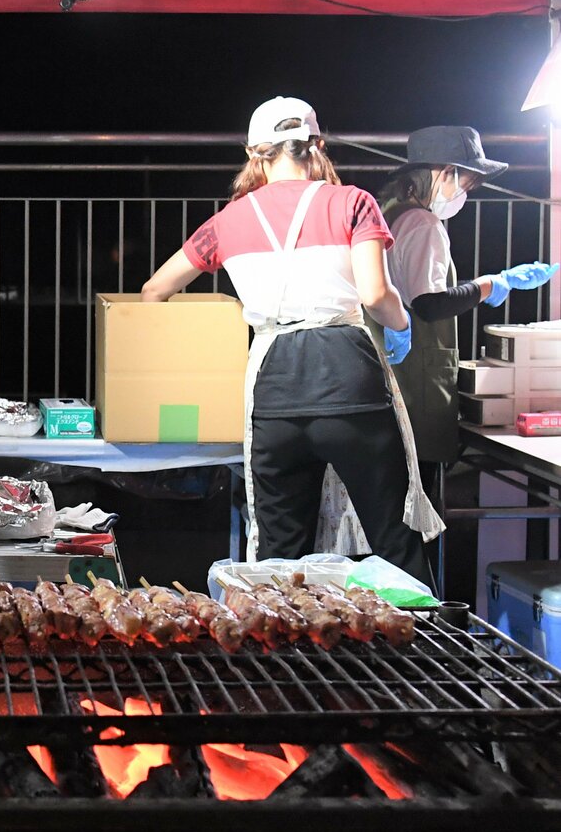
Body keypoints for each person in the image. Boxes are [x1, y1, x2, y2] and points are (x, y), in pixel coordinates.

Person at [141, 97, 439, 585]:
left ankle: (281, 657)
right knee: (393, 537)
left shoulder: (226, 222)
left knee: (278, 554)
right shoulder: (353, 202)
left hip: (273, 386)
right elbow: (375, 294)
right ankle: (421, 650)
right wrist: (403, 326)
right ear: (316, 147)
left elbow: (154, 291)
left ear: (256, 153)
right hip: (350, 379)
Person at [369, 126, 556, 508]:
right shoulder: (422, 223)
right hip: (417, 379)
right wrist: (493, 284)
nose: (466, 192)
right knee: (417, 511)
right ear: (442, 172)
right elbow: (430, 303)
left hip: (384, 378)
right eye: (466, 182)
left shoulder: (388, 213)